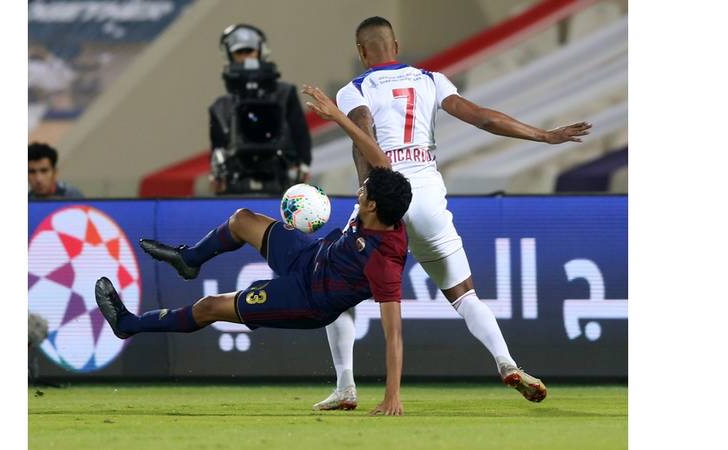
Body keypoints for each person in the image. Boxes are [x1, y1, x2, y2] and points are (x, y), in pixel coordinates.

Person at [306, 16, 592, 410]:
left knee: (334, 288)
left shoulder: (355, 89)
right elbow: (482, 117)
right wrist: (542, 135)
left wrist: (364, 188)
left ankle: (345, 387)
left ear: (361, 52)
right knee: (464, 294)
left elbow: (362, 135)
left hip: (384, 198)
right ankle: (506, 362)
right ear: (396, 46)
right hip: (426, 195)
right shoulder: (431, 80)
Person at [97, 104, 412, 415]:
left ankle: (128, 324)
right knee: (242, 220)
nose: (360, 190)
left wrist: (392, 397)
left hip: (307, 298)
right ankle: (189, 259)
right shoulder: (385, 204)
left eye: (364, 190)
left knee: (209, 307)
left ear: (372, 206)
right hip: (310, 255)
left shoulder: (382, 263)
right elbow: (377, 159)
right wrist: (340, 117)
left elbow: (394, 335)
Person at [209, 24, 312, 194]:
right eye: (239, 53)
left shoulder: (285, 94)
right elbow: (217, 148)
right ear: (230, 55)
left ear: (260, 51)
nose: (245, 57)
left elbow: (300, 133)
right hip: (237, 181)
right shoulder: (220, 107)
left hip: (280, 177)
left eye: (249, 51)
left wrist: (303, 165)